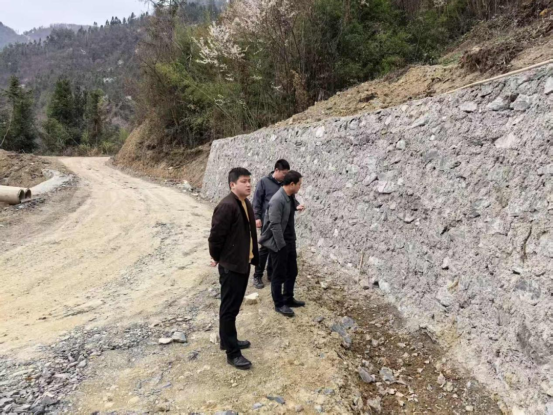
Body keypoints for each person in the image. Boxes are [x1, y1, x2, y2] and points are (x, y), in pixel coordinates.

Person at [208, 167, 259, 370]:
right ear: (232, 184)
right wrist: (217, 258)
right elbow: (215, 238)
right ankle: (232, 353)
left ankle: (228, 340)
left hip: (242, 263)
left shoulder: (244, 203)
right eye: (244, 181)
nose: (248, 185)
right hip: (231, 267)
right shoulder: (226, 206)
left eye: (249, 181)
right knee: (229, 310)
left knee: (234, 307)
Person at [259, 171, 305, 317]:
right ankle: (279, 304)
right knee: (278, 275)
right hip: (279, 243)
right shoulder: (277, 199)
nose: (300, 187)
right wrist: (281, 246)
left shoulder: (289, 196)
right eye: (299, 184)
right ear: (292, 184)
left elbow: (290, 208)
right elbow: (274, 224)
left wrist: (297, 207)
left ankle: (288, 298)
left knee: (292, 271)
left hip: (289, 241)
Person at [252, 159, 291, 289]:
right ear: (276, 170)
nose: (285, 176)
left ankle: (270, 273)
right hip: (266, 222)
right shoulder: (264, 182)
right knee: (264, 248)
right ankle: (257, 275)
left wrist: (296, 206)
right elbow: (256, 201)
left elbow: (290, 198)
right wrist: (257, 217)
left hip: (280, 223)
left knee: (275, 248)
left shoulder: (283, 184)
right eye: (284, 173)